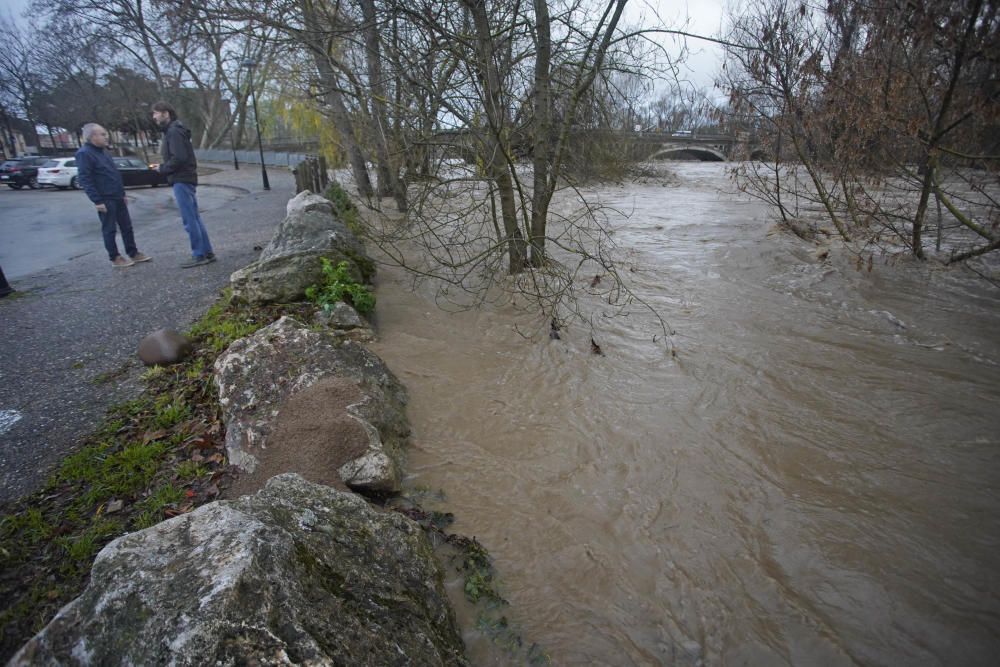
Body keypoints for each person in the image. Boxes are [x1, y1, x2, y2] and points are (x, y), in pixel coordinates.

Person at [75, 124, 151, 268]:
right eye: (103, 134)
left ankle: (133, 252)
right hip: (105, 198)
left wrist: (122, 193)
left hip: (117, 196)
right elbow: (85, 178)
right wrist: (97, 200)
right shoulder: (84, 153)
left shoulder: (104, 152)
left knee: (127, 227)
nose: (106, 136)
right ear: (93, 137)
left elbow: (114, 174)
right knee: (109, 229)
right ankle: (115, 257)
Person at [150, 101, 216, 268]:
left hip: (181, 179)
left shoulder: (173, 132)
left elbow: (179, 158)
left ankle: (199, 254)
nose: (154, 117)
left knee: (189, 218)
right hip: (185, 178)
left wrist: (163, 168)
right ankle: (206, 252)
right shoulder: (176, 131)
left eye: (155, 113)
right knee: (194, 217)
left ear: (165, 113)